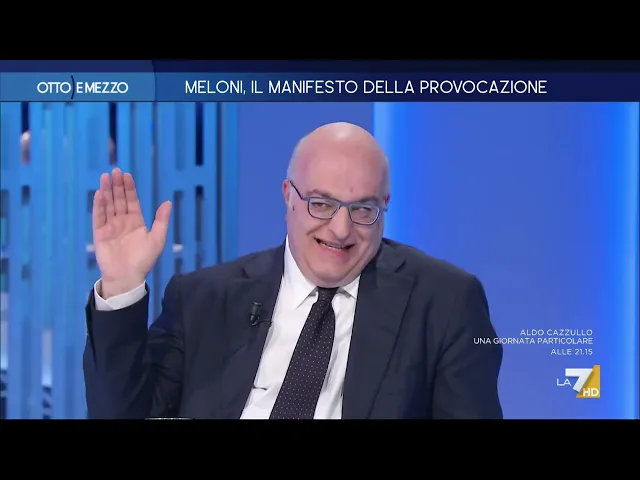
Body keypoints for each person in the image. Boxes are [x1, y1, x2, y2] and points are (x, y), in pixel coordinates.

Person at [83, 122, 503, 419]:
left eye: (363, 209)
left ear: (385, 206)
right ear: (288, 196)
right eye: (321, 204)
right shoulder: (203, 299)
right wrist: (122, 284)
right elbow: (125, 412)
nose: (341, 230)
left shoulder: (443, 303)